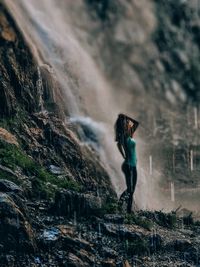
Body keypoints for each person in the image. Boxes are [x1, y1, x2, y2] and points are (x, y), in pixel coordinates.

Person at [114, 113, 139, 213]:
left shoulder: (129, 134)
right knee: (130, 189)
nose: (129, 123)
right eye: (127, 122)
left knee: (132, 190)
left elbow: (136, 123)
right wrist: (123, 156)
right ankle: (120, 205)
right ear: (124, 124)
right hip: (128, 165)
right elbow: (119, 144)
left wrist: (125, 117)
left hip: (133, 165)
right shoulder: (124, 135)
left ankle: (128, 210)